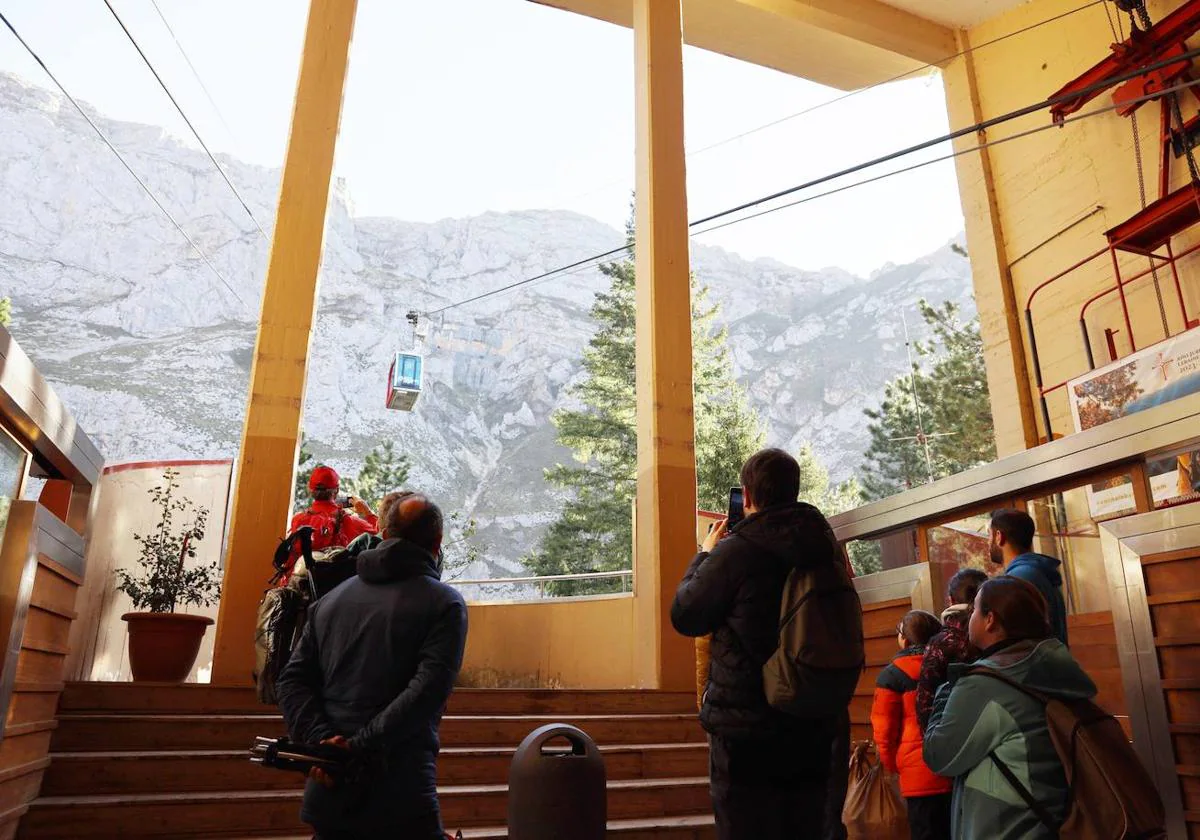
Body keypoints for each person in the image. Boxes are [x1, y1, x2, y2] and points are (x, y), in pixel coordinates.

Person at [670, 448, 852, 840]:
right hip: (813, 722)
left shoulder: (737, 551)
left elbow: (685, 615)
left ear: (748, 497)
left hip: (746, 730)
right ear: (794, 490)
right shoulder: (826, 549)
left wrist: (704, 555)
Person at [276, 493, 468, 840]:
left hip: (329, 794)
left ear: (382, 531)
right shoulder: (444, 604)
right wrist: (359, 747)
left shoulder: (330, 602)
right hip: (401, 797)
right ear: (437, 543)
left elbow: (291, 681)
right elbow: (426, 691)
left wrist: (324, 744)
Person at [923, 577, 1096, 840]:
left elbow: (938, 754)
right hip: (1052, 822)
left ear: (990, 620)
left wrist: (945, 688)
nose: (969, 618)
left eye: (974, 611)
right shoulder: (1057, 667)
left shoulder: (984, 685)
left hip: (1005, 828)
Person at [872, 610, 951, 840]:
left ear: (904, 639)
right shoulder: (949, 666)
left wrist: (895, 765)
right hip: (954, 769)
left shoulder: (891, 676)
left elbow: (884, 732)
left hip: (917, 778)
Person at [915, 567, 989, 731]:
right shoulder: (994, 633)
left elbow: (925, 701)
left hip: (952, 732)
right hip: (994, 729)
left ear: (950, 600)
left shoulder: (941, 642)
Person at [989, 509, 1068, 645]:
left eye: (988, 535)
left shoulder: (1018, 580)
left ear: (998, 536)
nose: (987, 542)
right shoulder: (1038, 572)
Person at [291, 465, 380, 551]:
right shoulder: (350, 522)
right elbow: (380, 536)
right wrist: (368, 513)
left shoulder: (297, 521)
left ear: (309, 489)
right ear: (337, 490)